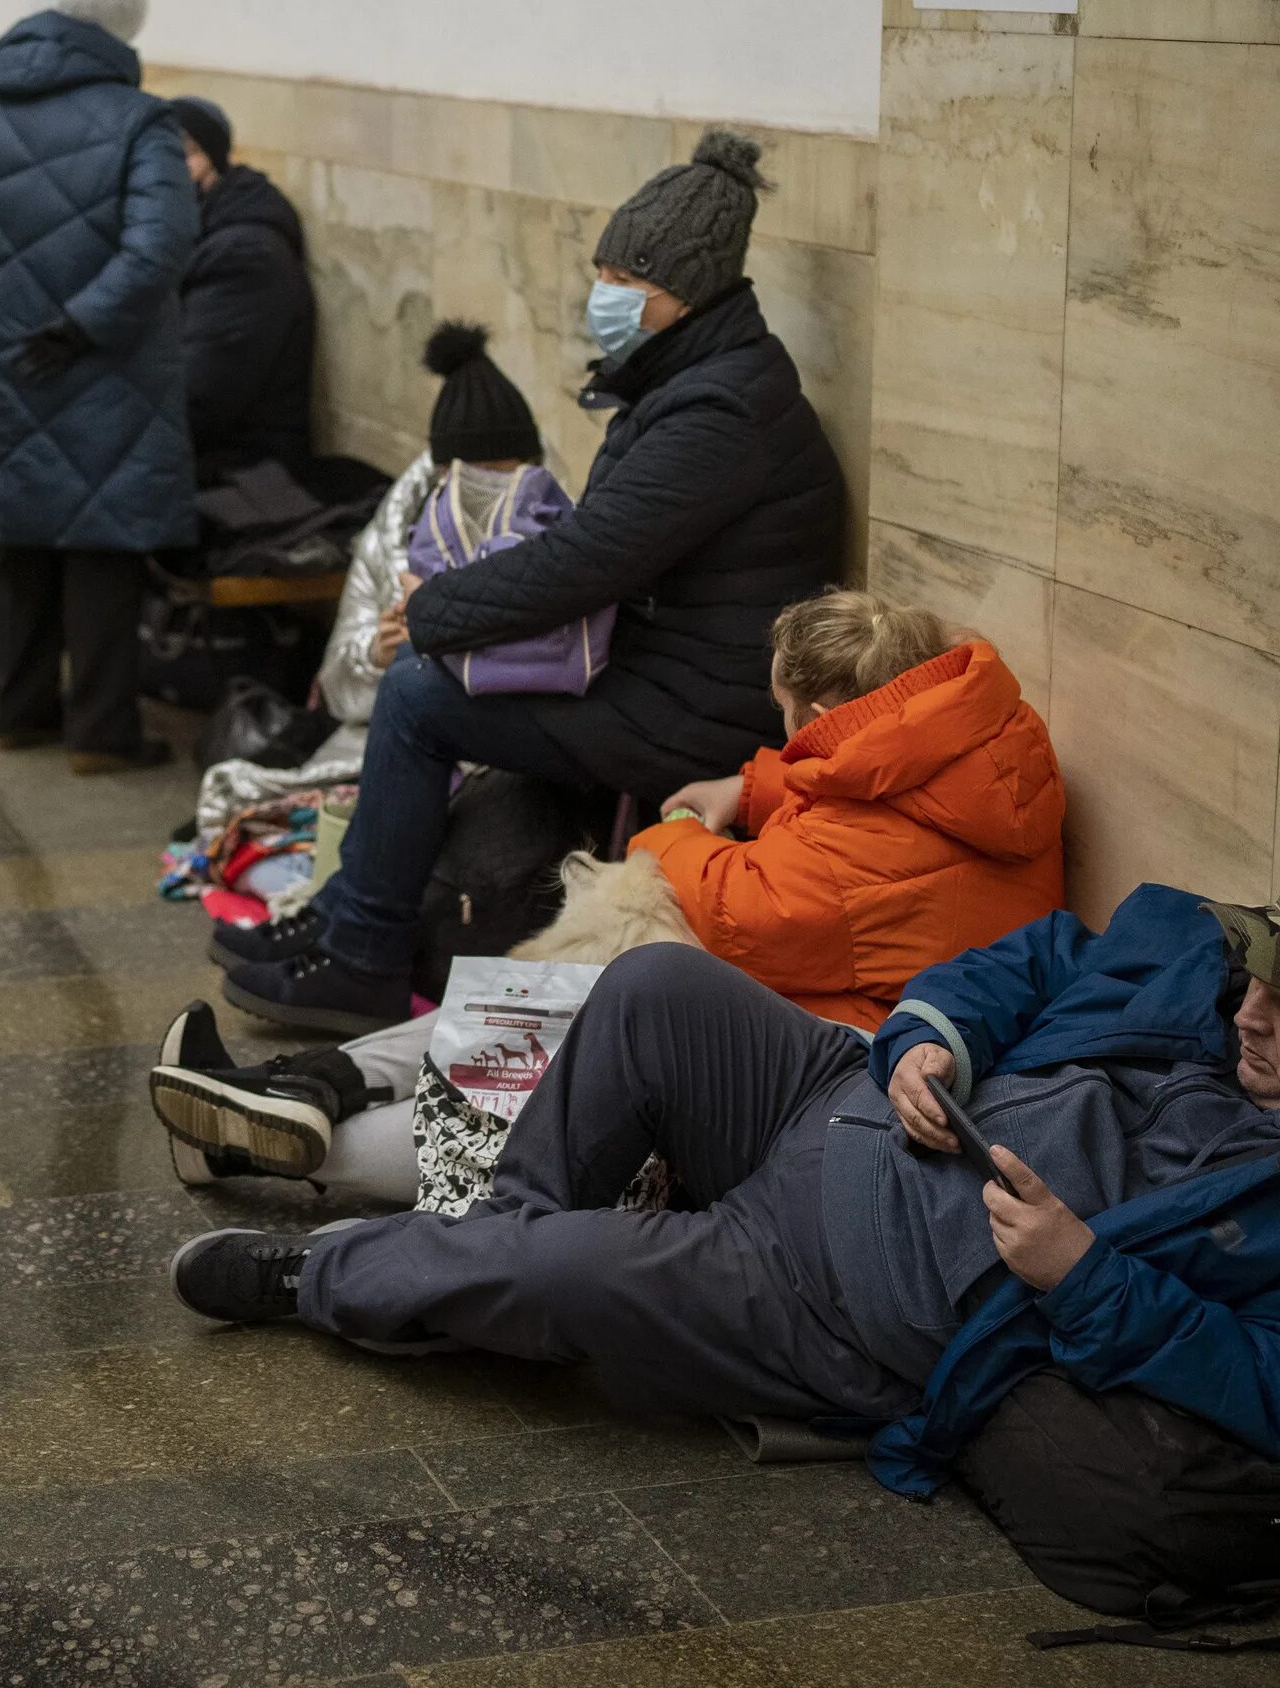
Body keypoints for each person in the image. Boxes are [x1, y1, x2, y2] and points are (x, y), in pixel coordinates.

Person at [174, 866, 1280, 1502]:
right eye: (1258, 991)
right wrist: (936, 1036)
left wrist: (1088, 1278)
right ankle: (487, 1276)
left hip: (843, 1300)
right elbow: (1033, 956)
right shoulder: (1212, 975)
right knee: (652, 986)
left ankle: (338, 1280)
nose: (1251, 1021)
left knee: (575, 1270)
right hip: (839, 1098)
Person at [218, 129, 844, 1030]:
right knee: (428, 685)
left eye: (628, 282)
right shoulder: (699, 382)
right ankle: (340, 917)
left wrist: (437, 610)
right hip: (661, 677)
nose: (607, 297)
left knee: (418, 695)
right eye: (605, 272)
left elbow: (588, 561)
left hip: (693, 712)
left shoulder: (720, 411)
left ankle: (360, 954)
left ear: (687, 295)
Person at [149, 588, 1068, 1191]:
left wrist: (673, 833)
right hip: (848, 1013)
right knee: (551, 1004)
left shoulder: (861, 846)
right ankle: (298, 1086)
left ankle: (266, 1138)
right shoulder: (969, 746)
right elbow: (860, 786)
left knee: (555, 1057)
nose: (783, 736)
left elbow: (757, 900)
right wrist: (749, 787)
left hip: (841, 1071)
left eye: (786, 718)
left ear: (827, 715)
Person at [0, 0, 199, 774]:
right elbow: (160, 243)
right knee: (101, 549)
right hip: (103, 366)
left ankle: (22, 713)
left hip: (5, 357)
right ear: (122, 33)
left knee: (20, 538)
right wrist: (83, 326)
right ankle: (102, 732)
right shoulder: (141, 121)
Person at [169, 98, 315, 482]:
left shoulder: (245, 257)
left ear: (212, 161)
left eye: (182, 154)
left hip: (239, 473)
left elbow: (197, 400)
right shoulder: (192, 233)